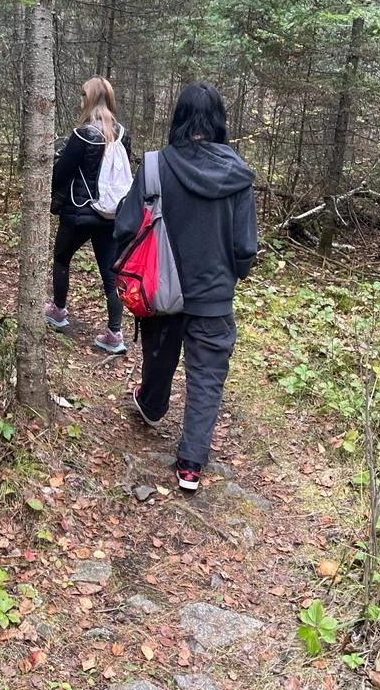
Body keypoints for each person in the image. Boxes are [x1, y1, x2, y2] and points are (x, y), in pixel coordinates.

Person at [114, 82, 257, 491]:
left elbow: (126, 226)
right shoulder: (238, 174)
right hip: (213, 297)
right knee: (207, 377)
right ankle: (191, 466)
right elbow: (245, 247)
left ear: (178, 118)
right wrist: (232, 274)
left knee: (160, 354)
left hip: (161, 290)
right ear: (218, 121)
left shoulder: (156, 165)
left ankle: (153, 404)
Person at [45, 76, 132, 354]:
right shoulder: (122, 134)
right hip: (110, 215)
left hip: (79, 212)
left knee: (61, 258)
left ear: (90, 99)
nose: (80, 100)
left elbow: (60, 174)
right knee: (110, 273)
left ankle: (58, 311)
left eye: (83, 95)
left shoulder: (82, 134)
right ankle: (115, 334)